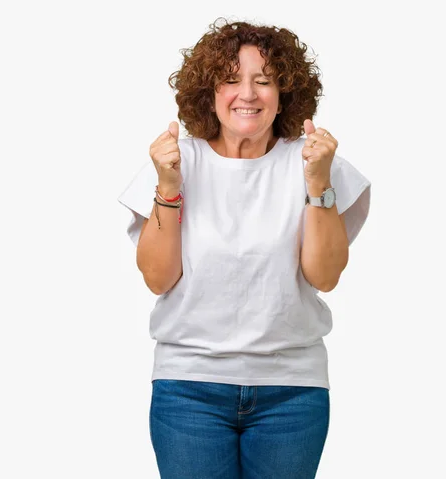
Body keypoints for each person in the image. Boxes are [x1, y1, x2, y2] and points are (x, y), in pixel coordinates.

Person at [118, 17, 371, 479]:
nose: (248, 94)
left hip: (291, 393)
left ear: (285, 92)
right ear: (209, 93)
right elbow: (158, 277)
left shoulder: (313, 160)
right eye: (231, 80)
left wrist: (318, 185)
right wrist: (169, 186)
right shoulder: (180, 160)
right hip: (188, 389)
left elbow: (325, 276)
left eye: (264, 81)